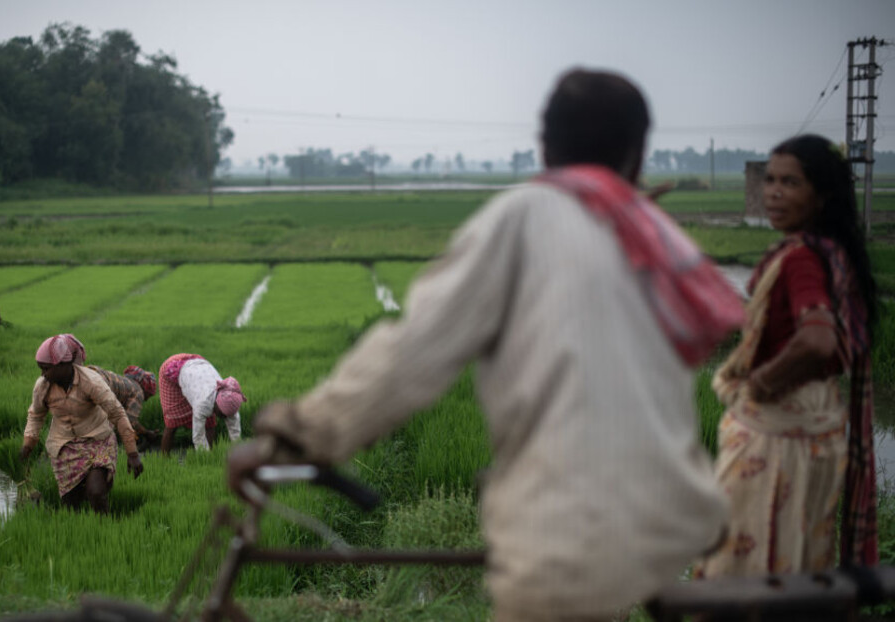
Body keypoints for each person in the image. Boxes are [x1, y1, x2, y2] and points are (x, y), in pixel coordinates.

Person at [227, 68, 746, 621]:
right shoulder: (650, 234)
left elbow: (413, 353)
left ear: (544, 146)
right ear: (638, 155)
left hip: (568, 521)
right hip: (673, 512)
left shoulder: (526, 216)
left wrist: (294, 437)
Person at [697, 135, 878, 578]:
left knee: (740, 561)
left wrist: (760, 384)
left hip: (778, 433)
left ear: (822, 195)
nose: (774, 192)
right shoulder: (832, 252)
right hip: (818, 428)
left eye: (791, 183)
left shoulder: (800, 259)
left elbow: (817, 340)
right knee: (794, 561)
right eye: (771, 180)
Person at [20, 334, 143, 513]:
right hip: (64, 445)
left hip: (97, 440)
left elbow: (117, 414)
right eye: (41, 369)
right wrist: (27, 447)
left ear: (64, 365)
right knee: (71, 503)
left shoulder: (91, 381)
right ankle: (83, 531)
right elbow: (36, 416)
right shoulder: (43, 386)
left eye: (46, 369)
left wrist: (132, 453)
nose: (43, 374)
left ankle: (106, 530)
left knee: (96, 492)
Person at [158, 353, 245, 453]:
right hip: (173, 368)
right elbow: (198, 436)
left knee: (210, 423)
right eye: (222, 415)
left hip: (197, 368)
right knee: (172, 422)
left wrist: (240, 454)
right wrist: (204, 457)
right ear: (216, 405)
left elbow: (236, 435)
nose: (225, 419)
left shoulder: (231, 404)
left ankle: (211, 454)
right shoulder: (203, 403)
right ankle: (164, 458)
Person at [87, 364, 161, 445]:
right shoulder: (138, 391)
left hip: (89, 374)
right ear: (146, 390)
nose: (146, 399)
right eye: (148, 396)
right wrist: (146, 433)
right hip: (99, 385)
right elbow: (130, 420)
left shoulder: (126, 382)